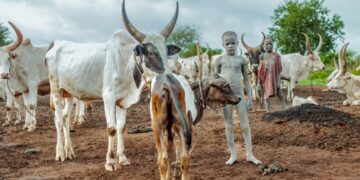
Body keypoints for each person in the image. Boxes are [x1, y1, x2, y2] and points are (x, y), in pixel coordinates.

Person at [214, 31, 261, 165]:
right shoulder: (219, 60)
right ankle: (233, 155)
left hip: (240, 96)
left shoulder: (242, 60)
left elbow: (246, 79)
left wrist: (250, 98)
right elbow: (215, 81)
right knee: (228, 125)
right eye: (227, 43)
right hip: (226, 97)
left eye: (233, 43)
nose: (230, 46)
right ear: (222, 44)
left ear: (237, 44)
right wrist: (217, 99)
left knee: (245, 125)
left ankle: (250, 154)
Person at [258, 37, 286, 112]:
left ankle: (284, 109)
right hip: (266, 79)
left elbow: (279, 70)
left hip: (274, 78)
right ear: (264, 46)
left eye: (271, 44)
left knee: (280, 94)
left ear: (273, 45)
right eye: (267, 44)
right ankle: (268, 111)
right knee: (266, 96)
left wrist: (278, 81)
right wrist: (259, 81)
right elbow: (260, 70)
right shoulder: (262, 56)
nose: (269, 46)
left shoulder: (277, 56)